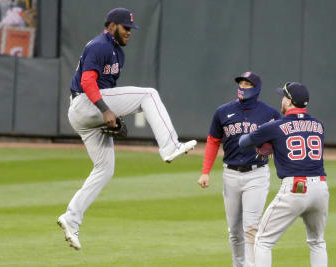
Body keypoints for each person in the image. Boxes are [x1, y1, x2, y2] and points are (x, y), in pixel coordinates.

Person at [57, 7, 197, 250]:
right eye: (125, 27)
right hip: (85, 102)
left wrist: (111, 118)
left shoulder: (117, 52)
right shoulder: (100, 45)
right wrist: (105, 110)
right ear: (111, 26)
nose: (129, 32)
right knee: (149, 95)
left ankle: (71, 218)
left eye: (131, 28)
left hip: (86, 112)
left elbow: (110, 94)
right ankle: (169, 146)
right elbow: (87, 81)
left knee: (105, 169)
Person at [239, 82, 329, 267]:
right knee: (317, 241)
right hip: (321, 188)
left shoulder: (275, 127)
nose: (281, 99)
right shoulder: (318, 125)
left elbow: (243, 142)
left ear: (289, 101)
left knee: (263, 241)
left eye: (283, 96)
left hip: (296, 188)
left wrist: (264, 132)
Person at [197, 72, 280, 267]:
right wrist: (205, 171)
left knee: (250, 228)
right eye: (241, 82)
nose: (243, 86)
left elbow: (281, 143)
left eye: (247, 84)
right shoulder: (223, 112)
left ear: (257, 88)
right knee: (234, 231)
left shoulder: (270, 114)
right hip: (230, 174)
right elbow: (213, 141)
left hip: (257, 175)